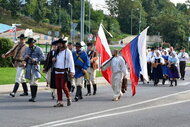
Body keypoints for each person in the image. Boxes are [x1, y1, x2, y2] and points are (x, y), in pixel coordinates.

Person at [53, 39, 75, 107]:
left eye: (60, 44)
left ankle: (68, 97)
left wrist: (72, 71)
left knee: (63, 86)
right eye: (58, 44)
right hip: (57, 71)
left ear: (63, 44)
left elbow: (71, 62)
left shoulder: (67, 52)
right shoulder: (56, 52)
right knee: (58, 87)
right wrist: (53, 60)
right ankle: (60, 102)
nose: (59, 45)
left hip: (64, 71)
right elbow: (54, 61)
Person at [23, 38, 44, 102]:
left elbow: (42, 57)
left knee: (34, 82)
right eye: (29, 43)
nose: (30, 44)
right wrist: (25, 57)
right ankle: (32, 96)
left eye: (31, 43)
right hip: (29, 67)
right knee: (30, 82)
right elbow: (23, 56)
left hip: (35, 67)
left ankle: (34, 97)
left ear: (33, 43)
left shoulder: (38, 49)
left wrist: (36, 59)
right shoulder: (26, 49)